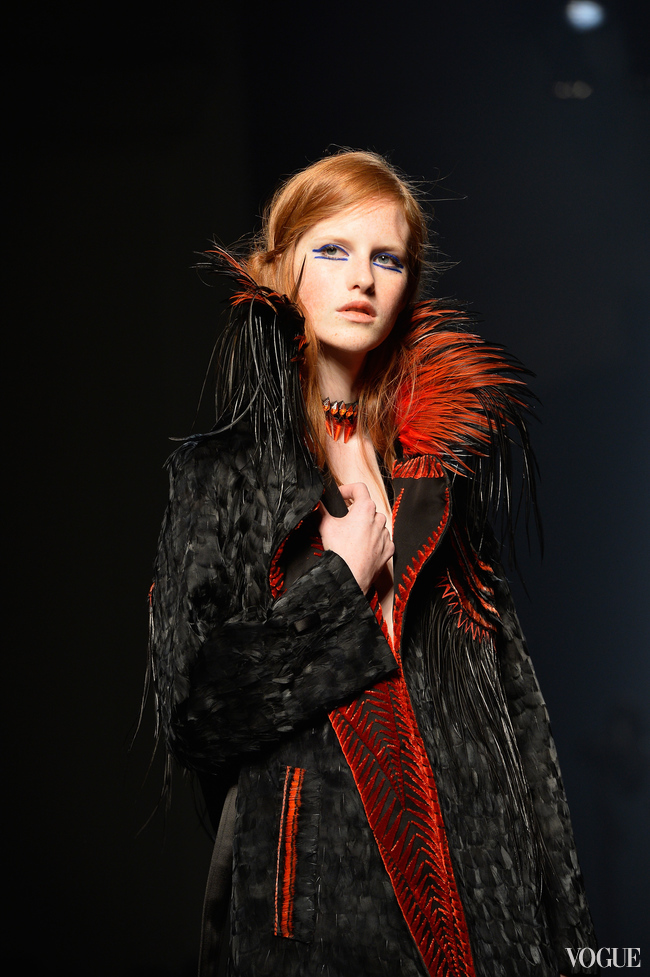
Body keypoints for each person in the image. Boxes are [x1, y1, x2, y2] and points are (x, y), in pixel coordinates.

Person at [149, 150, 598, 976]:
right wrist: (338, 588)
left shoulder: (438, 474)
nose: (362, 278)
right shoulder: (222, 475)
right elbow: (201, 717)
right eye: (333, 249)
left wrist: (566, 936)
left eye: (386, 258)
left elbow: (520, 725)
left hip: (482, 896)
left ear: (407, 285)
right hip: (321, 912)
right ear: (277, 269)